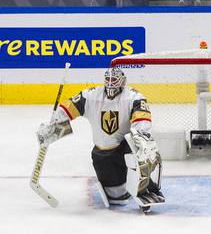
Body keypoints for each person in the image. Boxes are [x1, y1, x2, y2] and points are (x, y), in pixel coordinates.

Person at [37, 67, 164, 212]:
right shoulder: (91, 96)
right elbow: (68, 109)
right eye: (108, 80)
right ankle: (126, 185)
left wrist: (143, 144)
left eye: (114, 80)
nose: (110, 84)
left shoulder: (134, 97)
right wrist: (54, 125)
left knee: (142, 146)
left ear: (123, 82)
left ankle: (147, 186)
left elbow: (142, 124)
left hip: (125, 146)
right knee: (117, 197)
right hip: (103, 153)